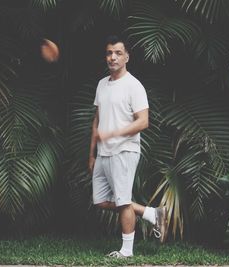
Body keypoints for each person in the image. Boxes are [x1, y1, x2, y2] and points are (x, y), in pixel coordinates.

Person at [88, 35, 168, 258]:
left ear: (127, 57)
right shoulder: (102, 84)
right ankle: (151, 214)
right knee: (102, 201)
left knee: (123, 202)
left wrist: (115, 133)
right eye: (109, 53)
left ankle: (127, 251)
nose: (112, 57)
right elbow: (97, 119)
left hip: (124, 150)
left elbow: (143, 121)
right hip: (103, 153)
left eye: (118, 53)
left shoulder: (134, 85)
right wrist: (92, 153)